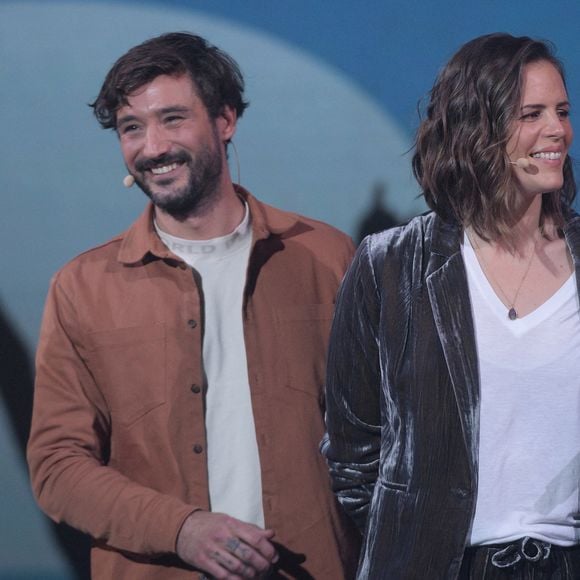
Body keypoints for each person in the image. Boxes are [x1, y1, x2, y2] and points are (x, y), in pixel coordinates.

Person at [27, 32, 359, 580]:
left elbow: (387, 437)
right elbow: (59, 466)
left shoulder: (328, 257)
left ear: (225, 120)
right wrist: (181, 530)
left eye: (173, 119)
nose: (152, 147)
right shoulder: (81, 287)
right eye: (132, 128)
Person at [322, 32, 580, 579]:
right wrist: (414, 539)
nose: (557, 130)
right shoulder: (390, 265)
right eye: (530, 114)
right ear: (475, 130)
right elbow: (352, 453)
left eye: (562, 110)